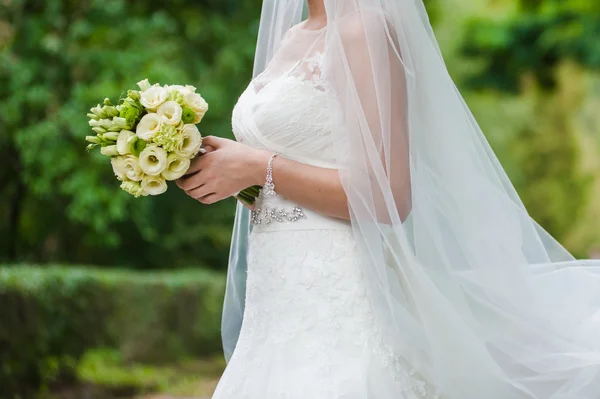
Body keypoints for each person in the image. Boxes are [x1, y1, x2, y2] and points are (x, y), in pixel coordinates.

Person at [177, 0, 600, 397]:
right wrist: (232, 176)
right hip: (274, 297)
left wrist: (256, 167)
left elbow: (389, 196)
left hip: (339, 293)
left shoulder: (366, 30)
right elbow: (294, 168)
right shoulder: (292, 37)